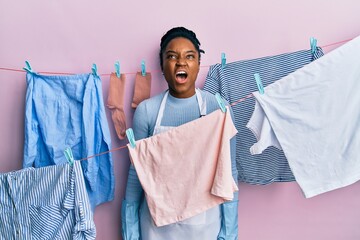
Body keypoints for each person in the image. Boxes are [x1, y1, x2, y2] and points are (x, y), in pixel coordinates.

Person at [121, 26, 239, 240]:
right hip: (156, 228)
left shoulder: (217, 108)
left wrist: (229, 233)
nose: (181, 62)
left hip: (205, 225)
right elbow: (136, 174)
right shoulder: (147, 111)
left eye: (189, 56)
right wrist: (131, 233)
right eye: (172, 56)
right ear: (163, 66)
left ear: (198, 64)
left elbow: (229, 172)